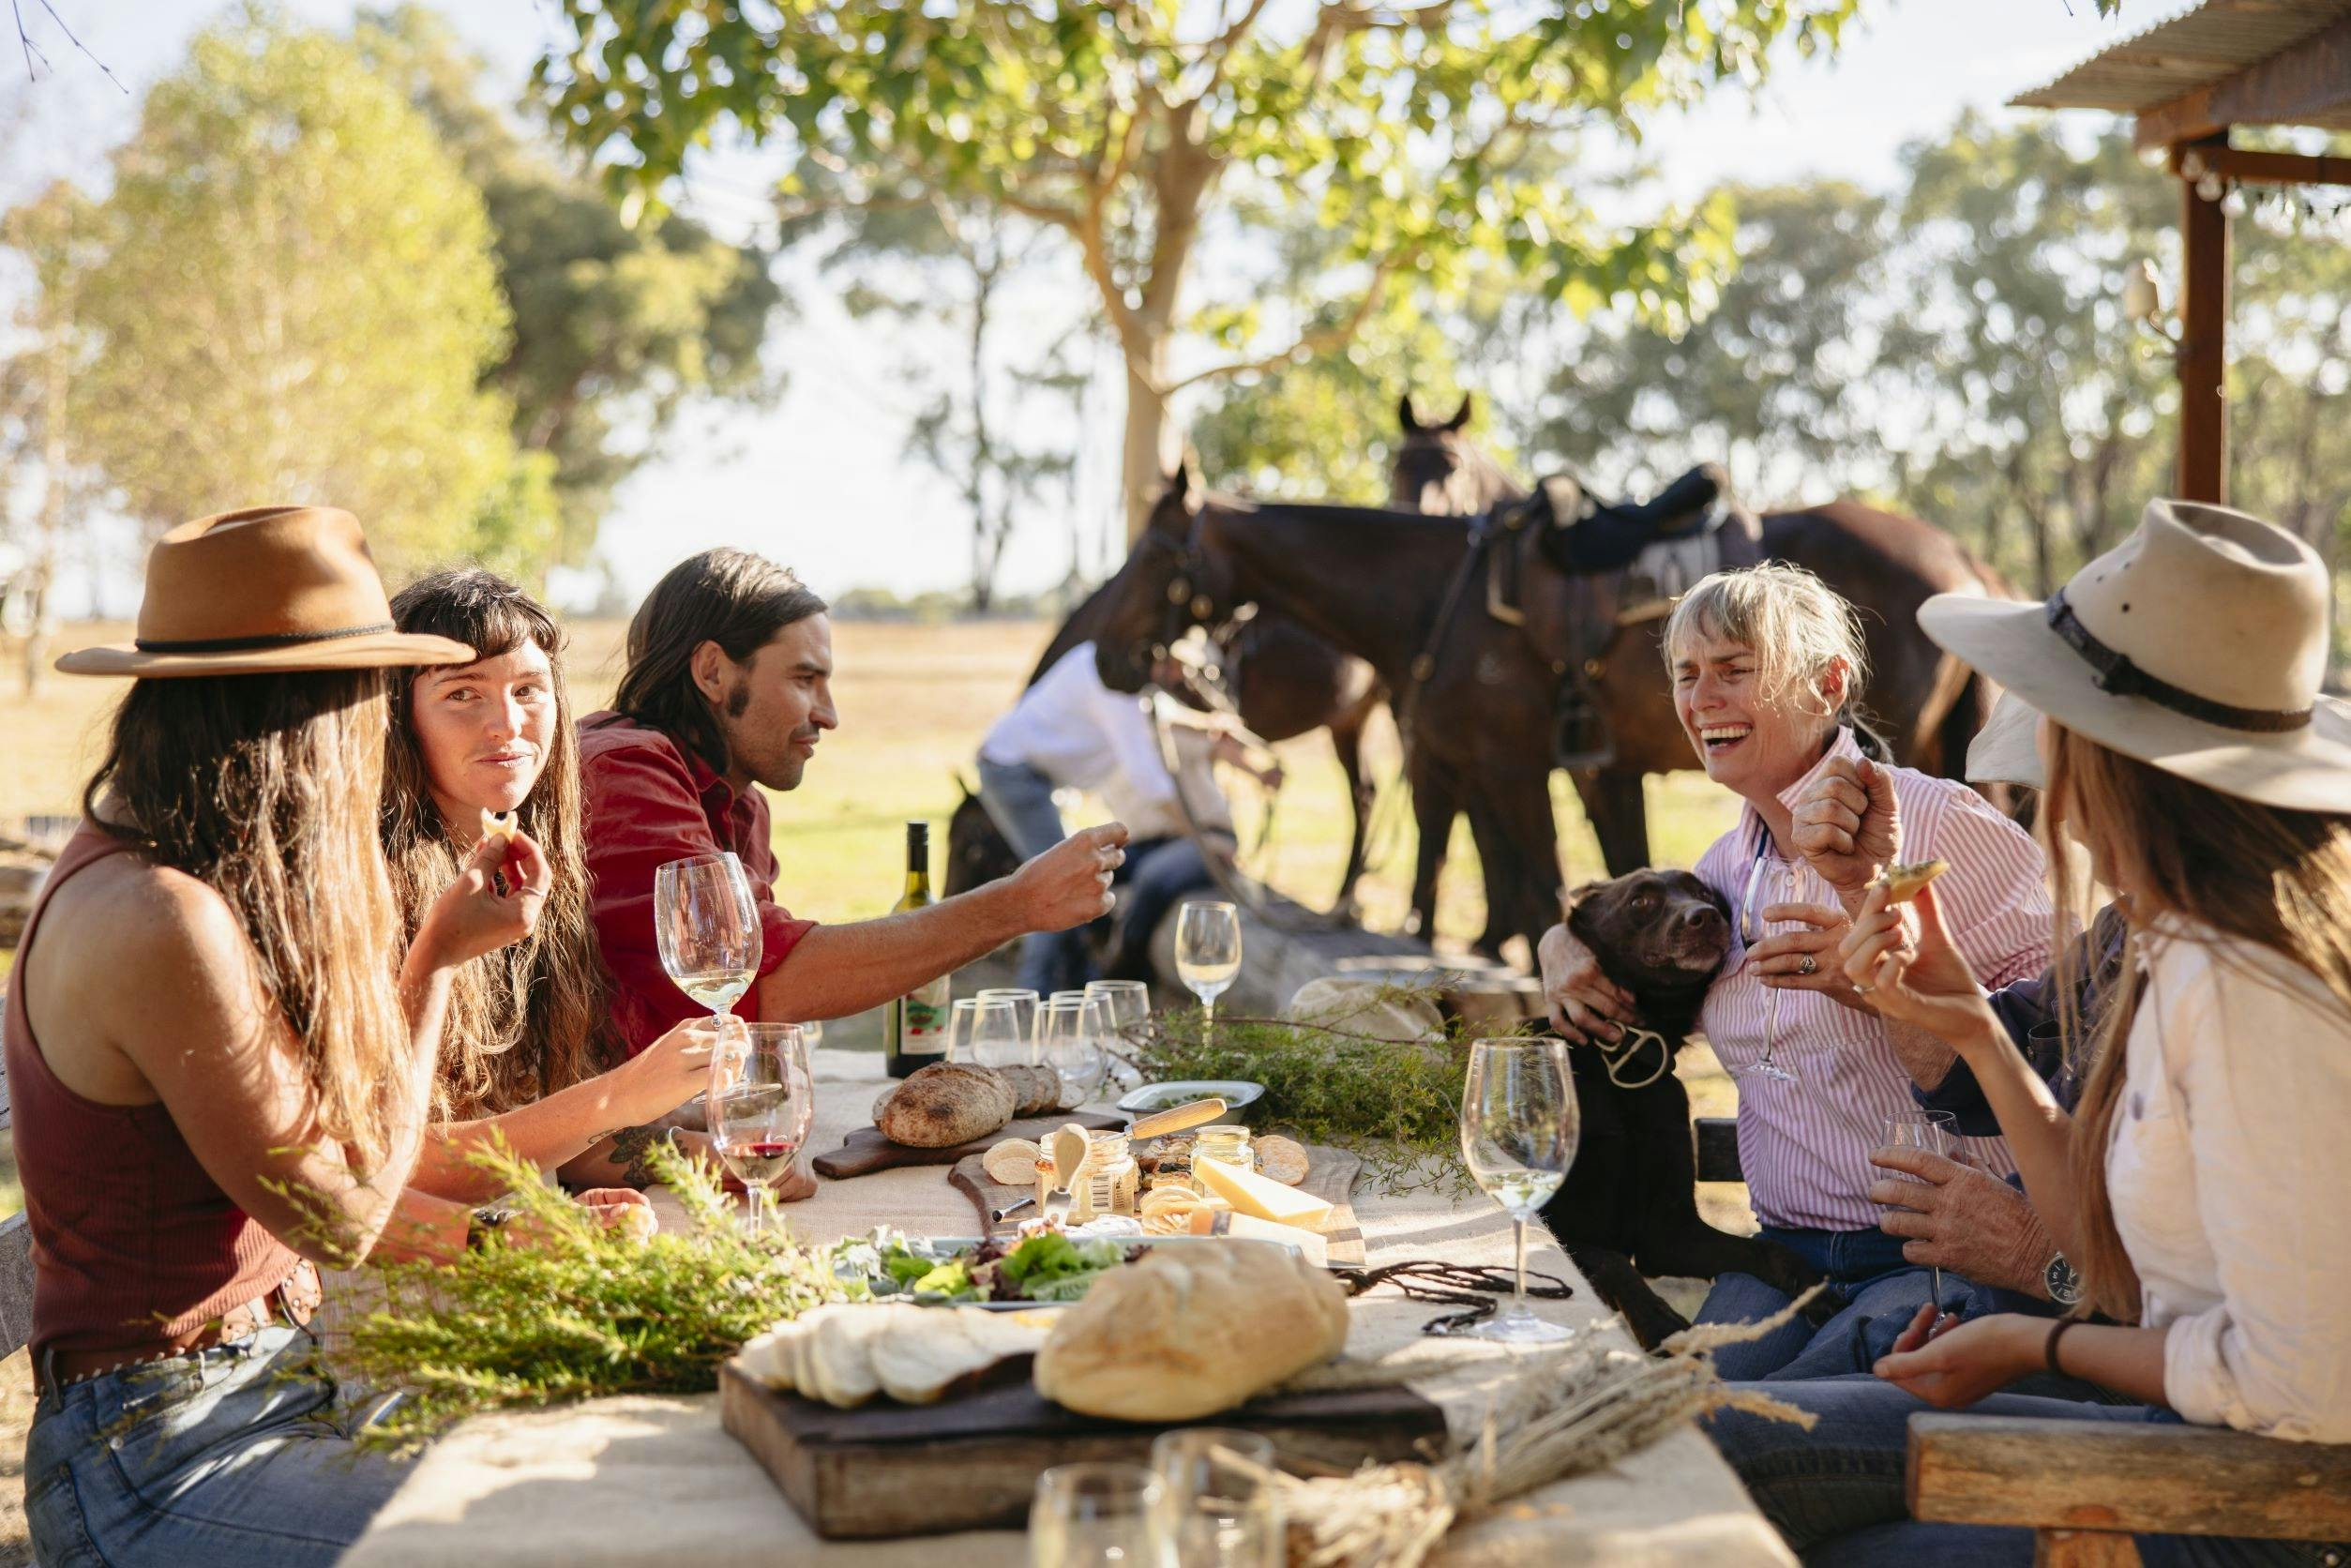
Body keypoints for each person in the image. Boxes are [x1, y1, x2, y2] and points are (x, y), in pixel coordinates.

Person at [1709, 499, 2351, 1565]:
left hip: (2252, 1504)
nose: (2035, 758)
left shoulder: (2253, 992)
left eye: (2055, 724)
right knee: (1709, 1445)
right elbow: (2114, 1263)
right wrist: (1965, 1018)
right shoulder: (2161, 936)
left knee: (1752, 1502)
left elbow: (2299, 1385)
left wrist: (2034, 1337)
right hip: (2177, 1430)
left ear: (2115, 761)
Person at [11, 506, 601, 1566]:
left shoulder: (190, 875)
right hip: (155, 1454)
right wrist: (431, 969)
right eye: (362, 692)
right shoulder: (159, 917)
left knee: (604, 1466)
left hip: (270, 1391)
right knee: (542, 1537)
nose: (373, 725)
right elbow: (344, 1213)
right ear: (295, 712)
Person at [1539, 563, 2053, 1380]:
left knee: (1752, 1433)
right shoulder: (1719, 877)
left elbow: (2061, 1048)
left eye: (1736, 671)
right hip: (1778, 1252)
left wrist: (1878, 988)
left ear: (1826, 684)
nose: (1701, 699)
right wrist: (1559, 943)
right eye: (1685, 675)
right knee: (1679, 1416)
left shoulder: (1939, 825)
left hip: (1932, 1254)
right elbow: (1626, 940)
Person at [579, 549, 1127, 1071]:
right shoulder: (623, 772)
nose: (829, 715)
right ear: (713, 673)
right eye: (804, 679)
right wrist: (1017, 904)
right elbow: (770, 984)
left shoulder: (737, 800)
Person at [384, 568, 718, 1192]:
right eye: (462, 694)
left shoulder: (529, 870)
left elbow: (564, 1141)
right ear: (398, 717)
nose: (506, 724)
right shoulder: (369, 889)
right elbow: (401, 1167)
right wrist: (621, 1094)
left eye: (529, 690)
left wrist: (704, 1158)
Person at [977, 639, 1278, 991]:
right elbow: (1151, 783)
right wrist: (1202, 837)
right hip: (1018, 773)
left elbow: (1185, 725)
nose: (1182, 678)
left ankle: (1079, 981)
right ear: (1160, 661)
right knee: (1053, 883)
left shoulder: (1122, 681)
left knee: (1074, 878)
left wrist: (1257, 769)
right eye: (1178, 667)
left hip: (1025, 768)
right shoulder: (1120, 697)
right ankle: (1036, 992)